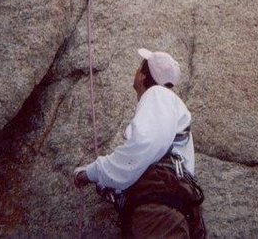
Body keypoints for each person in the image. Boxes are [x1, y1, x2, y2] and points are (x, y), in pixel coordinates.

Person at [74, 48, 206, 238]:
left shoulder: (157, 95)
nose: (136, 72)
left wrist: (91, 173)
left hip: (157, 215)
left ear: (143, 76)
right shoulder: (169, 107)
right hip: (170, 212)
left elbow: (142, 146)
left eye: (138, 68)